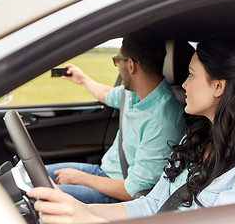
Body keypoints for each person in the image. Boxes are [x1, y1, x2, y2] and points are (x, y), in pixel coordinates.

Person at [28, 34, 235, 223]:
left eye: (190, 75)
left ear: (218, 86)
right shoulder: (196, 138)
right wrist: (81, 209)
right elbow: (152, 204)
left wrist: (91, 220)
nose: (184, 85)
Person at [44, 30, 187, 204]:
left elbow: (133, 191)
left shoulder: (164, 120)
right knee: (33, 175)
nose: (117, 66)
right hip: (103, 173)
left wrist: (80, 178)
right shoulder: (134, 93)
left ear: (132, 65)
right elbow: (107, 94)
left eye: (117, 60)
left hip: (119, 193)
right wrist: (82, 79)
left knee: (39, 198)